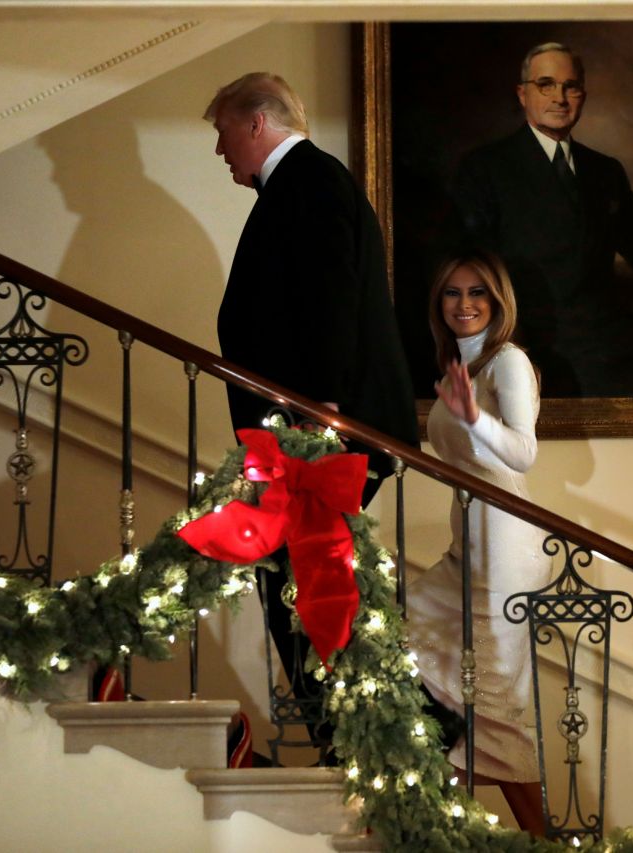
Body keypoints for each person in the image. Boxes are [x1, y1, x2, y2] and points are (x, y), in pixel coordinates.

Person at [204, 72, 419, 756]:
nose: (220, 150)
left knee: (296, 576)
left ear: (257, 122)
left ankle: (353, 735)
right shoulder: (302, 181)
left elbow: (333, 291)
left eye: (222, 132)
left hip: (322, 426)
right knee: (298, 575)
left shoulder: (311, 180)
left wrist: (322, 409)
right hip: (308, 425)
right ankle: (351, 733)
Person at [451, 42, 633, 398]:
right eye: (546, 85)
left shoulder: (605, 171)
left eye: (571, 87)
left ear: (582, 95)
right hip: (527, 337)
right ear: (523, 94)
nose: (560, 97)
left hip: (604, 335)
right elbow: (472, 267)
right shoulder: (486, 168)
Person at [405, 251, 550, 835]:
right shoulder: (456, 365)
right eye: (452, 294)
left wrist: (473, 418)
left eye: (478, 294)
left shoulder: (507, 362)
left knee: (493, 701)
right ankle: (442, 820)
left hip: (508, 543)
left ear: (497, 303)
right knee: (404, 640)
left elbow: (523, 453)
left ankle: (542, 839)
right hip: (469, 540)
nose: (464, 305)